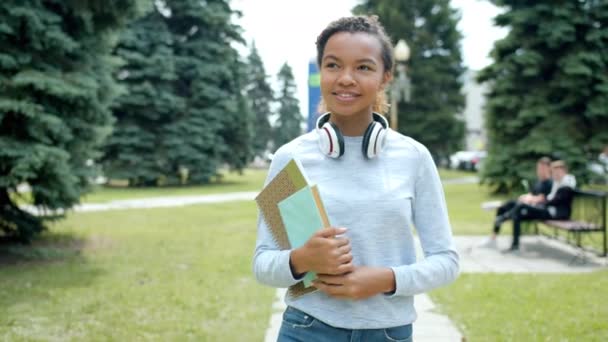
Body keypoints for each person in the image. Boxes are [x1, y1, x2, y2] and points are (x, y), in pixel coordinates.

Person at [253, 16, 459, 341]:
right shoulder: (289, 158)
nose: (346, 78)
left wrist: (385, 279)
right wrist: (301, 259)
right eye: (333, 65)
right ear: (321, 71)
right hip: (306, 330)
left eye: (363, 68)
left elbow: (446, 261)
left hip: (388, 333)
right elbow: (263, 263)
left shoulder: (414, 158)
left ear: (385, 77)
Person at [503, 159, 577, 252]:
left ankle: (506, 217)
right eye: (554, 172)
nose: (555, 175)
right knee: (518, 214)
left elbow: (556, 200)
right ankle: (515, 244)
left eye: (557, 172)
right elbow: (551, 198)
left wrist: (542, 202)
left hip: (558, 213)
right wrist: (540, 201)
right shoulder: (558, 183)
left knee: (522, 206)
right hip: (549, 210)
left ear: (563, 171)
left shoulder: (566, 184)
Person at [480, 157, 553, 249]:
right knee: (507, 205)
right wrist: (525, 197)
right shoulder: (539, 182)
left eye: (542, 168)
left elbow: (543, 198)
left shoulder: (550, 183)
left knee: (517, 213)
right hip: (528, 207)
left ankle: (505, 221)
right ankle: (493, 237)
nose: (539, 171)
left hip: (539, 211)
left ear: (549, 168)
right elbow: (532, 194)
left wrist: (529, 199)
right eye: (538, 168)